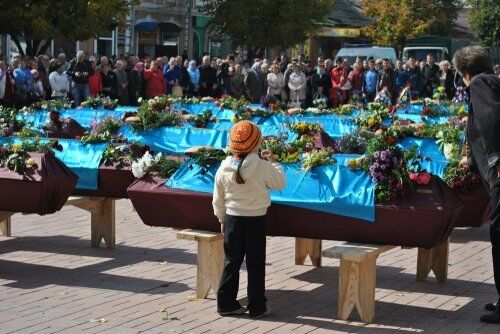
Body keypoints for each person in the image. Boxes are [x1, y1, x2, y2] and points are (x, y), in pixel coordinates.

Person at [213, 120, 286, 318]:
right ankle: (257, 306)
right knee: (255, 264)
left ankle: (226, 303)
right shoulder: (262, 166)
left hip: (232, 220)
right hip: (255, 220)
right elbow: (280, 183)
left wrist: (221, 218)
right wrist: (274, 163)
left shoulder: (223, 168)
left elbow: (218, 198)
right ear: (256, 144)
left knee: (231, 262)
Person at [454, 46, 500, 324]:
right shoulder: (493, 82)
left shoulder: (480, 84)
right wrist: (470, 163)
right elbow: (480, 130)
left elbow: (492, 121)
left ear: (466, 74)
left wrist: (496, 160)